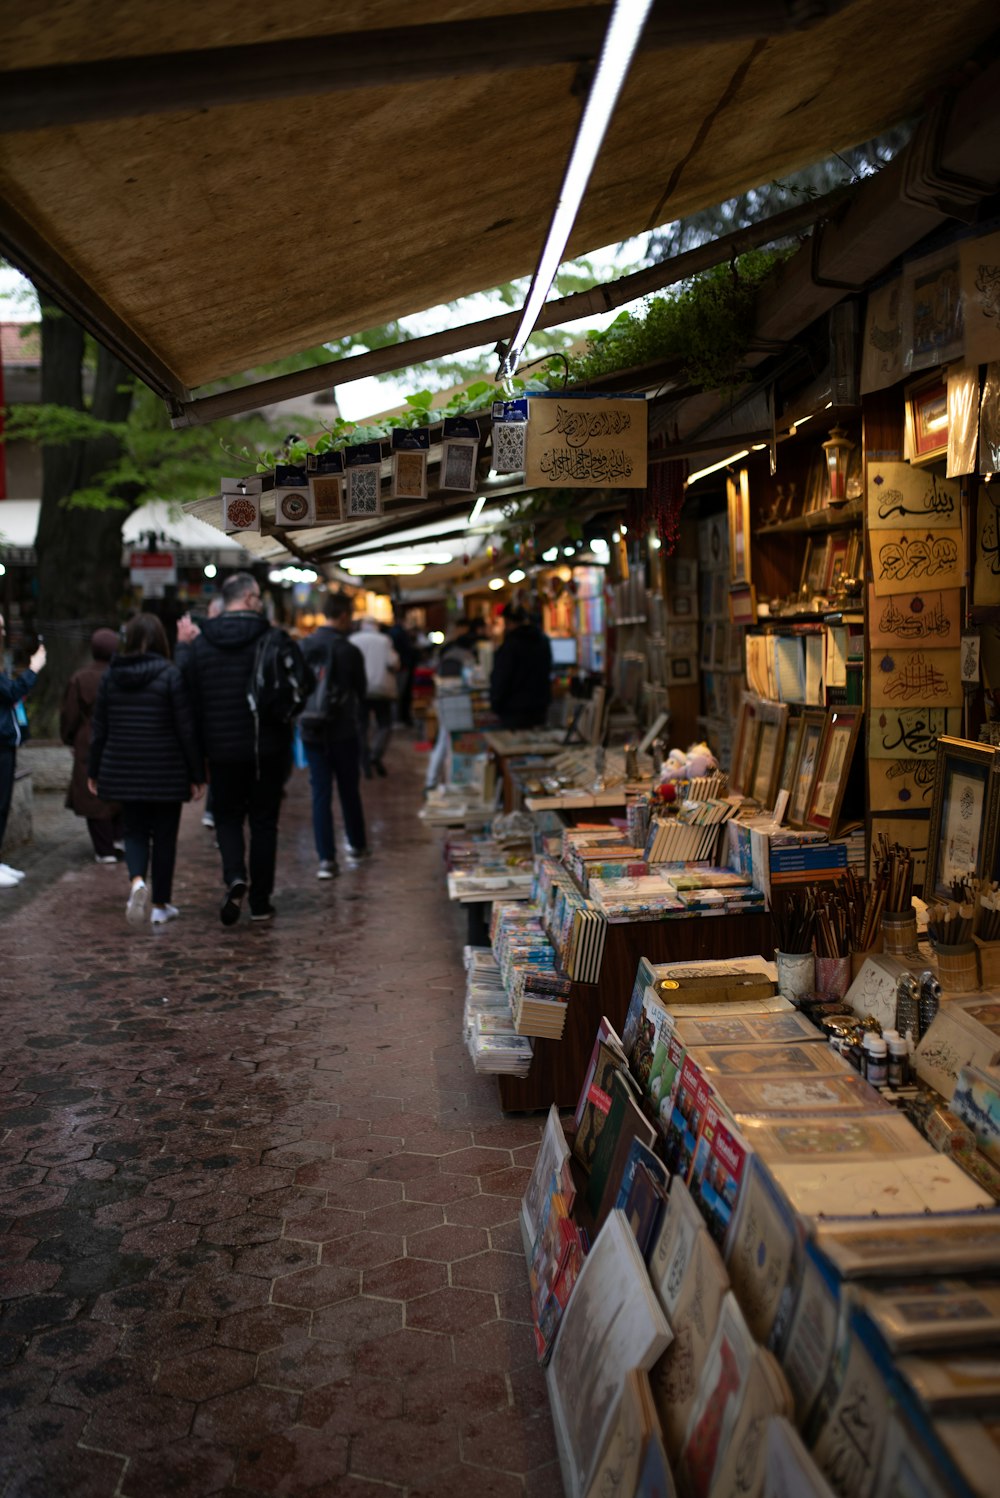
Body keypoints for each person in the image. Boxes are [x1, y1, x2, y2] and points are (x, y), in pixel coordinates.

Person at [181, 570, 308, 924]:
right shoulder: (274, 638)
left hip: (220, 750)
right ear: (251, 599)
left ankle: (235, 875)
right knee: (265, 822)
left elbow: (187, 700)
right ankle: (261, 902)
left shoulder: (202, 644)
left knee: (227, 816)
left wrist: (196, 758)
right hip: (267, 747)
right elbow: (302, 685)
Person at [87, 613, 204, 927]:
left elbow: (99, 729)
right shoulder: (170, 675)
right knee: (165, 837)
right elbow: (186, 729)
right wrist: (197, 774)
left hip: (124, 767)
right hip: (167, 769)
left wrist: (94, 770)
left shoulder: (112, 676)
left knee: (134, 831)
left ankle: (137, 881)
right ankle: (161, 904)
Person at [300, 592, 368, 877]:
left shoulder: (304, 646)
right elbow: (360, 691)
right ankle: (357, 844)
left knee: (320, 793)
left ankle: (326, 859)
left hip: (311, 730)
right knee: (349, 789)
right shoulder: (348, 651)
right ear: (343, 616)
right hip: (343, 730)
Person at [60, 627, 125, 863]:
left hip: (89, 739)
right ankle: (119, 839)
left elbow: (70, 715)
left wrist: (69, 738)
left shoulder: (81, 678)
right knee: (120, 789)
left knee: (93, 793)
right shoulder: (123, 675)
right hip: (121, 738)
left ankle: (104, 848)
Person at [0, 613, 45, 888]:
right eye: (0, 627)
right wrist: (34, 668)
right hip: (1, 742)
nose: (4, 632)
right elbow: (12, 692)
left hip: (5, 742)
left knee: (3, 804)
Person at [489, 603, 552, 729]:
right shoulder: (543, 641)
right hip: (539, 709)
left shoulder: (510, 645)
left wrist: (495, 704)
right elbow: (548, 669)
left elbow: (502, 678)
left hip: (513, 711)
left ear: (507, 622)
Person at [351, 617, 399, 778]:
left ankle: (364, 758)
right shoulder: (384, 640)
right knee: (384, 724)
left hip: (360, 689)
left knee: (361, 727)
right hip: (381, 688)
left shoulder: (353, 639)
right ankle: (375, 755)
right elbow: (393, 662)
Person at [388, 608, 416, 727]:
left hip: (401, 666)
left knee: (400, 694)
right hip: (402, 667)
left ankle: (399, 719)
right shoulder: (399, 632)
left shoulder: (392, 632)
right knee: (401, 694)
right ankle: (399, 719)